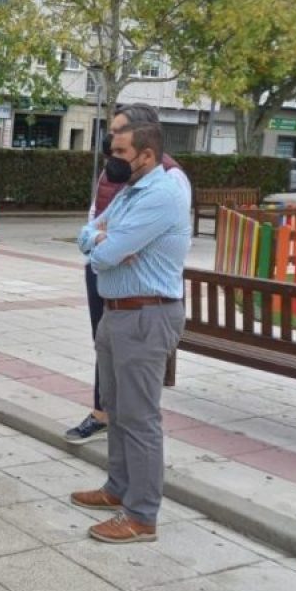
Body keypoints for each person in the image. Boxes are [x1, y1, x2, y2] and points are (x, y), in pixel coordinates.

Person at [71, 122, 190, 543]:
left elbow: (105, 254)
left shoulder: (161, 194)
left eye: (120, 152)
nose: (112, 160)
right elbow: (89, 237)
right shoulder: (129, 191)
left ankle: (141, 515)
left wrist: (104, 246)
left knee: (139, 418)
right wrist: (100, 242)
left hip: (146, 315)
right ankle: (117, 488)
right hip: (117, 312)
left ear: (146, 154)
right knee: (116, 409)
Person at [64, 104, 191, 445]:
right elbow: (92, 225)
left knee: (137, 411)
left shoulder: (167, 181)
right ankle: (104, 414)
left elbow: (113, 247)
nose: (111, 142)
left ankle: (137, 492)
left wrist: (105, 243)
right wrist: (98, 239)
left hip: (142, 298)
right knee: (104, 347)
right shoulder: (119, 174)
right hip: (111, 280)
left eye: (119, 134)